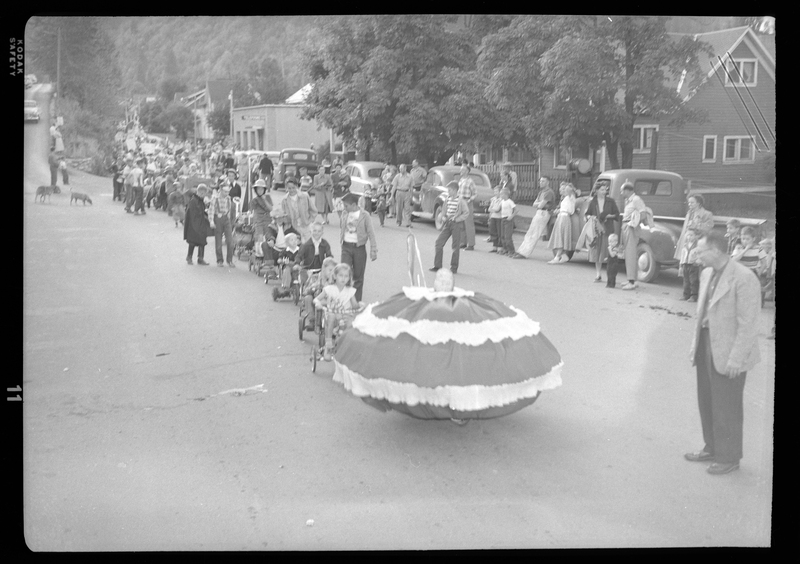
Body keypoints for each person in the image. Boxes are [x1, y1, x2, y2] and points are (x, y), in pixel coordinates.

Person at [685, 230, 761, 475]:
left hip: (731, 351)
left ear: (716, 251)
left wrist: (737, 358)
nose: (695, 255)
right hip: (706, 344)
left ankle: (729, 457)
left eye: (700, 251)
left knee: (727, 405)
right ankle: (712, 447)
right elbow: (702, 314)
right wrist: (695, 345)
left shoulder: (744, 277)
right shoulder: (707, 273)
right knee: (707, 400)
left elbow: (749, 324)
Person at [314, 263, 363, 361]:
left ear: (349, 278)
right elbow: (317, 299)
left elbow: (354, 305)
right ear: (335, 276)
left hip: (344, 315)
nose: (343, 279)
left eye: (346, 276)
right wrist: (318, 303)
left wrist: (360, 305)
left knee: (352, 323)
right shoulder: (329, 289)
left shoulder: (350, 291)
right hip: (331, 314)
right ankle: (328, 346)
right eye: (341, 275)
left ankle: (347, 347)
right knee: (331, 317)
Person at [339, 192, 378, 302]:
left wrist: (373, 249)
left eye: (346, 205)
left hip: (359, 248)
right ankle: (344, 299)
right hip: (346, 246)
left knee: (358, 276)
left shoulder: (364, 215)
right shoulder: (344, 214)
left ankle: (356, 301)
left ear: (354, 205)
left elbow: (371, 232)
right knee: (344, 273)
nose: (344, 207)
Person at [583, 182, 620, 281]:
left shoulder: (610, 201)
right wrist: (589, 217)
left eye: (605, 190)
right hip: (596, 230)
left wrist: (609, 216)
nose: (604, 192)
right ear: (596, 190)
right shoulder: (593, 202)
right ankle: (598, 274)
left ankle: (610, 275)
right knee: (597, 252)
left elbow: (617, 214)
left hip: (607, 228)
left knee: (609, 251)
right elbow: (587, 214)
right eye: (602, 190)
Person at [430, 181, 469, 274]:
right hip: (448, 223)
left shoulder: (461, 200)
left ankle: (454, 267)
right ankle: (437, 266)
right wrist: (443, 217)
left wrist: (457, 219)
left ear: (455, 190)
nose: (448, 192)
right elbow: (444, 211)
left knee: (455, 246)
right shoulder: (447, 199)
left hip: (456, 224)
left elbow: (466, 212)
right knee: (439, 242)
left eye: (450, 190)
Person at [514, 177, 556, 259]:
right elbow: (534, 204)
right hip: (539, 212)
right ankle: (521, 250)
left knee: (534, 234)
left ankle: (525, 253)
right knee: (530, 232)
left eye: (543, 181)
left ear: (548, 183)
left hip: (544, 213)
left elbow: (540, 205)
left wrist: (539, 203)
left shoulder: (549, 192)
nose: (541, 182)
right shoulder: (541, 192)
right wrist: (540, 203)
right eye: (540, 181)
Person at [619, 182, 647, 289]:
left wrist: (634, 223)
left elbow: (643, 214)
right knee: (629, 254)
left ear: (627, 190)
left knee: (630, 254)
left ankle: (631, 281)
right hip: (626, 226)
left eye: (622, 191)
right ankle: (632, 280)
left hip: (631, 227)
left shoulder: (636, 200)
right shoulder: (628, 200)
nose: (621, 193)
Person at [674, 193, 714, 261]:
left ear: (698, 203)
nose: (689, 204)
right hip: (687, 244)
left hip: (698, 243)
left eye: (692, 202)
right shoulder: (689, 213)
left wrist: (696, 225)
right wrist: (680, 241)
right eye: (689, 202)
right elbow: (684, 229)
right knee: (684, 264)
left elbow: (709, 227)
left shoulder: (707, 214)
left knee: (695, 265)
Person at [302, 256, 337, 331]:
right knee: (308, 298)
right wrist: (314, 287)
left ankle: (333, 325)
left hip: (327, 302)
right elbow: (305, 291)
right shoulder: (315, 277)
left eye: (334, 271)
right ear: (323, 269)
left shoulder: (334, 280)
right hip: (315, 300)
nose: (332, 273)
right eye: (330, 270)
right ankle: (312, 321)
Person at [281, 177, 318, 243]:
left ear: (297, 186)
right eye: (289, 188)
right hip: (293, 228)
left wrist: (310, 221)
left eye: (293, 188)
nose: (291, 190)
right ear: (286, 187)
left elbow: (313, 210)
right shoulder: (284, 200)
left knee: (308, 246)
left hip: (306, 226)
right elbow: (283, 214)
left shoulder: (305, 196)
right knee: (297, 248)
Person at [547, 183, 577, 264]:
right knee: (559, 237)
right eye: (561, 189)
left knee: (561, 237)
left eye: (564, 189)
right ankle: (563, 256)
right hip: (561, 216)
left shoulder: (571, 197)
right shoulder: (565, 198)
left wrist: (569, 188)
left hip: (564, 217)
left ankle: (557, 257)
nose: (562, 191)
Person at [208, 183, 236, 267]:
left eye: (228, 191)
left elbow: (230, 210)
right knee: (218, 241)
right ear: (220, 190)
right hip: (218, 219)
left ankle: (229, 260)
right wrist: (211, 221)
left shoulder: (228, 198)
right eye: (225, 191)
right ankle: (219, 260)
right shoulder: (214, 199)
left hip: (226, 219)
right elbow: (211, 211)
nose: (227, 193)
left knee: (230, 241)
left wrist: (231, 221)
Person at [184, 184, 210, 266]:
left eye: (204, 194)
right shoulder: (193, 201)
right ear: (198, 192)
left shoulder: (199, 199)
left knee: (202, 241)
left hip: (200, 224)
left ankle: (200, 258)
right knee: (192, 242)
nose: (203, 195)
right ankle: (189, 257)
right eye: (202, 193)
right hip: (193, 225)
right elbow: (193, 213)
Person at [250, 180, 273, 259]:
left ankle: (266, 254)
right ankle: (259, 254)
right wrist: (254, 223)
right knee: (259, 237)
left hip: (267, 220)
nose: (260, 191)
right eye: (258, 189)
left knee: (268, 236)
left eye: (261, 189)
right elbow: (253, 212)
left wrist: (264, 199)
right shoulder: (254, 200)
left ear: (264, 190)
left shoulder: (268, 197)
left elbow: (270, 209)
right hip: (258, 220)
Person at [457, 162, 477, 250]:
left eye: (463, 170)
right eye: (461, 170)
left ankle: (471, 244)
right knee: (461, 223)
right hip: (460, 201)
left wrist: (469, 200)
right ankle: (463, 242)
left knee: (469, 223)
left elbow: (475, 193)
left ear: (467, 171)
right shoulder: (461, 180)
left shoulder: (470, 181)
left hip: (467, 202)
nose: (461, 171)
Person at [679, 228, 701, 302]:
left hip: (693, 265)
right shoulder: (685, 245)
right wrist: (681, 265)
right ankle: (686, 295)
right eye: (688, 235)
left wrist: (698, 261)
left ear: (696, 236)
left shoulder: (698, 246)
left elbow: (700, 255)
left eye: (691, 235)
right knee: (686, 281)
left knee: (693, 281)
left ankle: (694, 296)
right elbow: (682, 255)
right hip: (685, 264)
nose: (689, 237)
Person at [391, 163, 414, 228]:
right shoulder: (397, 176)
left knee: (407, 208)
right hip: (399, 192)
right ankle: (399, 221)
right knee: (399, 208)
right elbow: (394, 186)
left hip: (407, 192)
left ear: (405, 168)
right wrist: (391, 195)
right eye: (400, 169)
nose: (400, 170)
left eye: (401, 168)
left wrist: (411, 196)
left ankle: (408, 223)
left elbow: (411, 187)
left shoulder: (410, 177)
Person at [499, 188, 517, 257]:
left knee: (507, 236)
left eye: (501, 194)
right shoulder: (502, 201)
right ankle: (505, 249)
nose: (500, 195)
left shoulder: (510, 201)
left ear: (505, 194)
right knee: (502, 235)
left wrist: (511, 216)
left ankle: (511, 250)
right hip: (503, 218)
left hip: (508, 219)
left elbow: (516, 210)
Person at [487, 186, 503, 254]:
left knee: (499, 233)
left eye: (497, 191)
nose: (495, 193)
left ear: (500, 192)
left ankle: (501, 247)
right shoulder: (493, 199)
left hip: (499, 218)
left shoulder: (502, 200)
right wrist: (492, 210)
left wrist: (492, 209)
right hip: (493, 217)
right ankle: (495, 247)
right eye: (494, 191)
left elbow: (497, 209)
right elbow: (489, 209)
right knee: (493, 232)